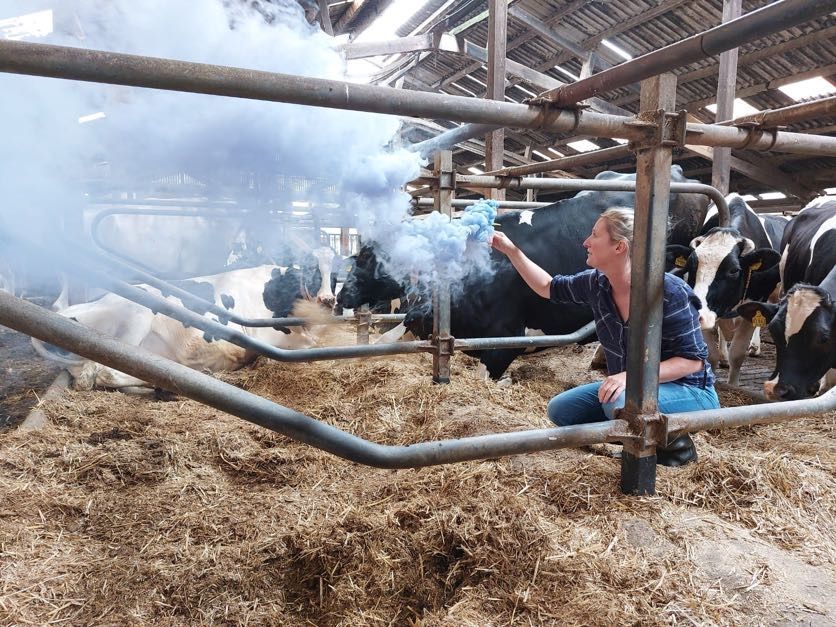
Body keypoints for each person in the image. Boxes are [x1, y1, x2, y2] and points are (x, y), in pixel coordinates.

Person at [489, 207, 719, 466]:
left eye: (594, 235)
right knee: (561, 410)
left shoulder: (669, 291)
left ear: (619, 247)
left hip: (690, 390)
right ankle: (642, 439)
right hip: (634, 388)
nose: (586, 242)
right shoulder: (597, 283)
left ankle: (675, 449)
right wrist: (511, 250)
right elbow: (547, 287)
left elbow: (693, 362)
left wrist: (629, 377)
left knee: (620, 403)